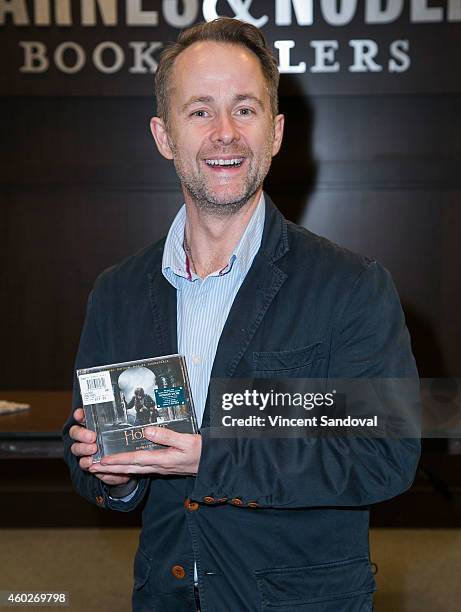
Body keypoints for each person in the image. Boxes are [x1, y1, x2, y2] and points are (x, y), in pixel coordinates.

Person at [63, 18, 420, 612]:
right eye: (199, 111)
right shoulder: (118, 292)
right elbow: (85, 457)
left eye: (245, 110)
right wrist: (114, 479)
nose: (224, 134)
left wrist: (212, 455)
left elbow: (386, 456)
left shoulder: (352, 287)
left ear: (275, 132)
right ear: (163, 134)